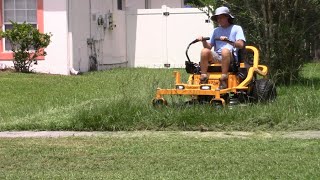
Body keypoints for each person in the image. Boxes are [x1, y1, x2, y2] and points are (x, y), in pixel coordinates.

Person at [198, 6, 246, 89]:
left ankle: (223, 78)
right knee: (204, 51)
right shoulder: (215, 30)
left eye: (221, 17)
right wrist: (203, 41)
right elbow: (209, 47)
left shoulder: (236, 28)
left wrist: (228, 41)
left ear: (227, 17)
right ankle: (203, 77)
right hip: (217, 56)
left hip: (231, 57)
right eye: (217, 18)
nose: (219, 20)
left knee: (225, 51)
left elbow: (241, 44)